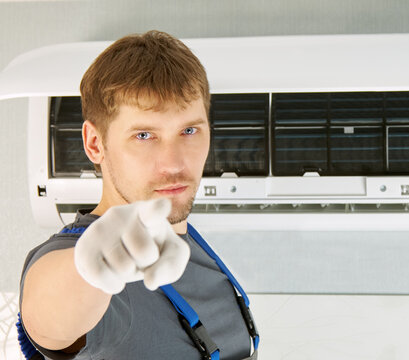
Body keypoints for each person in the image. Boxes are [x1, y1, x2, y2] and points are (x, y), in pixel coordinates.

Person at [18, 30, 258, 360]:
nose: (174, 164)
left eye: (189, 130)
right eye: (144, 135)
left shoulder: (192, 243)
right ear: (94, 144)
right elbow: (48, 319)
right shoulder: (85, 257)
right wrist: (91, 268)